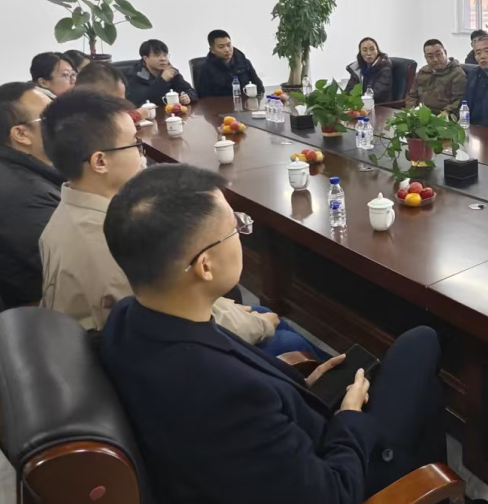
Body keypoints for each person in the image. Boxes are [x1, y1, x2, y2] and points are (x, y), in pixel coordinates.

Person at [99, 163, 488, 504]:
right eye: (236, 229)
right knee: (421, 346)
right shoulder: (215, 391)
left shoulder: (130, 319)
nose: (242, 235)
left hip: (281, 465)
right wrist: (349, 417)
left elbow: (247, 415)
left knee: (416, 376)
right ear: (204, 266)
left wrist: (296, 387)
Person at [38, 90, 311, 357]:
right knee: (289, 339)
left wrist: (236, 313)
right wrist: (257, 325)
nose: (141, 153)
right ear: (100, 161)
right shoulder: (109, 242)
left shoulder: (69, 213)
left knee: (262, 315)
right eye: (134, 143)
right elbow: (171, 327)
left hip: (168, 332)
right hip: (171, 357)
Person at [0, 82, 64, 306]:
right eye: (52, 118)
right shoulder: (17, 195)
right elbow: (72, 267)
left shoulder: (9, 167)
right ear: (21, 134)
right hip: (50, 306)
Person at [195, 29, 265, 99]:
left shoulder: (244, 62)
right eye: (221, 47)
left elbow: (259, 88)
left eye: (229, 45)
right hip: (219, 104)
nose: (227, 50)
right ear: (212, 50)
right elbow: (203, 98)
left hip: (244, 103)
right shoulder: (206, 69)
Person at [125, 39, 196, 107]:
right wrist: (163, 80)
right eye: (157, 55)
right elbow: (143, 99)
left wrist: (188, 97)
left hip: (171, 112)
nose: (163, 59)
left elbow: (190, 90)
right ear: (145, 58)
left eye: (165, 55)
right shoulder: (136, 75)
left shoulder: (171, 71)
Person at [406, 39, 466, 115]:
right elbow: (412, 96)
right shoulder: (423, 72)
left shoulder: (457, 73)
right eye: (430, 56)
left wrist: (445, 113)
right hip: (420, 115)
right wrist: (412, 110)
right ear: (425, 57)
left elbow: (458, 101)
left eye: (438, 54)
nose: (435, 59)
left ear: (445, 53)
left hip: (442, 117)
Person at [344, 37, 393, 102]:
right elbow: (348, 91)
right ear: (360, 53)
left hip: (378, 105)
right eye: (365, 50)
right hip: (360, 104)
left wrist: (356, 101)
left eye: (372, 49)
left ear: (377, 51)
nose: (369, 53)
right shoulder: (357, 69)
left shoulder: (384, 67)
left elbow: (377, 94)